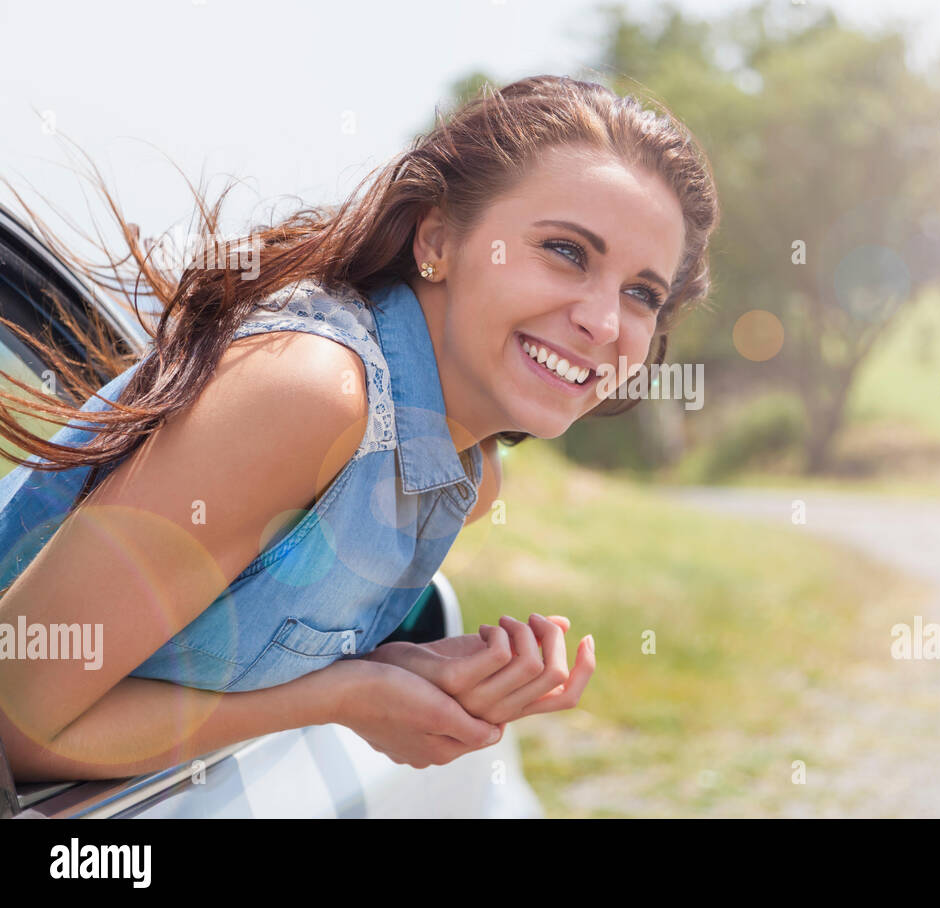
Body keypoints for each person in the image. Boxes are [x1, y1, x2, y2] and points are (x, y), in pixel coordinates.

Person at [0, 74, 720, 781]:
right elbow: (16, 725)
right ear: (435, 238)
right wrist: (346, 697)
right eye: (566, 251)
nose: (602, 321)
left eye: (641, 293)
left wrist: (398, 671)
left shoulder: (467, 483)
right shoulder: (309, 393)